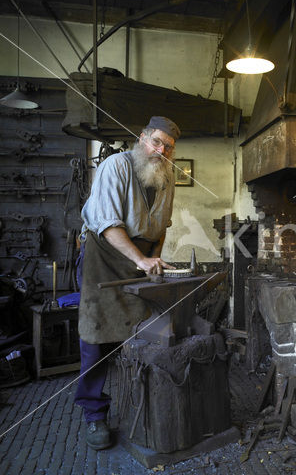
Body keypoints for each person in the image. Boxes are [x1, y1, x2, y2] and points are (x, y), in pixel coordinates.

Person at [74, 116, 180, 450]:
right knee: (97, 337)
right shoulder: (115, 167)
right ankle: (94, 415)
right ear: (142, 138)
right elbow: (107, 225)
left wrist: (155, 260)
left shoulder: (167, 177)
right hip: (104, 257)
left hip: (140, 260)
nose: (160, 151)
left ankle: (141, 401)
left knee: (145, 334)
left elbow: (161, 227)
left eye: (168, 147)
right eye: (156, 142)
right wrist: (141, 259)